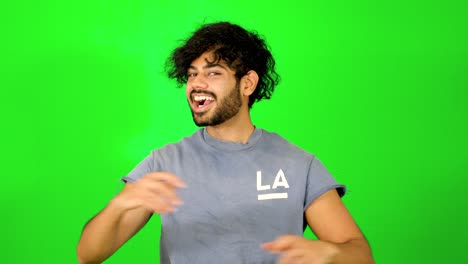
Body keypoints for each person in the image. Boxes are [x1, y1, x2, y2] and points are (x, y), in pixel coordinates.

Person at [77, 21, 374, 264]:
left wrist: (330, 253)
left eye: (213, 73)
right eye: (192, 74)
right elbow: (88, 255)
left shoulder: (297, 164)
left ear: (247, 83)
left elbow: (360, 254)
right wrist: (119, 205)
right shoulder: (163, 163)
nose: (196, 84)